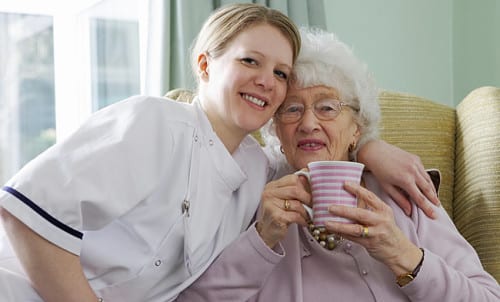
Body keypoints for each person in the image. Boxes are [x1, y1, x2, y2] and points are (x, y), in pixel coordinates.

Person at [0, 4, 436, 301]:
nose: (267, 80)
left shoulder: (255, 171)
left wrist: (370, 149)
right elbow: (23, 212)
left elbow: (315, 147)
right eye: (250, 61)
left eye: (280, 72)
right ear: (206, 66)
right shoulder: (153, 122)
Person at [175, 28, 500, 301]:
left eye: (327, 107)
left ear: (356, 128)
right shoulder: (256, 194)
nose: (308, 124)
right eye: (291, 110)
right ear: (275, 129)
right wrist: (262, 239)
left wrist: (400, 252)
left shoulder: (401, 193)